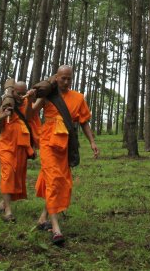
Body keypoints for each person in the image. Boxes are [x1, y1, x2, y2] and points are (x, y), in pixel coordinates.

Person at [32, 65, 99, 246]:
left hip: (65, 145)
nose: (66, 81)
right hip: (47, 142)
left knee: (60, 182)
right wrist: (33, 98)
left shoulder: (78, 98)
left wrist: (92, 142)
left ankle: (43, 218)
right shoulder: (48, 95)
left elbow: (84, 122)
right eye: (63, 78)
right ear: (56, 77)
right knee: (53, 180)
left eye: (69, 78)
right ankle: (56, 228)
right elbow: (30, 113)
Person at [0, 81, 38, 222]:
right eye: (18, 93)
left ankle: (4, 201)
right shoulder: (7, 103)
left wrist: (33, 146)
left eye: (23, 93)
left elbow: (32, 123)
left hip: (22, 147)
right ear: (12, 92)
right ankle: (8, 212)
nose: (21, 96)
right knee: (7, 174)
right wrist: (4, 114)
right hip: (6, 145)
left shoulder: (27, 103)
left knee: (17, 176)